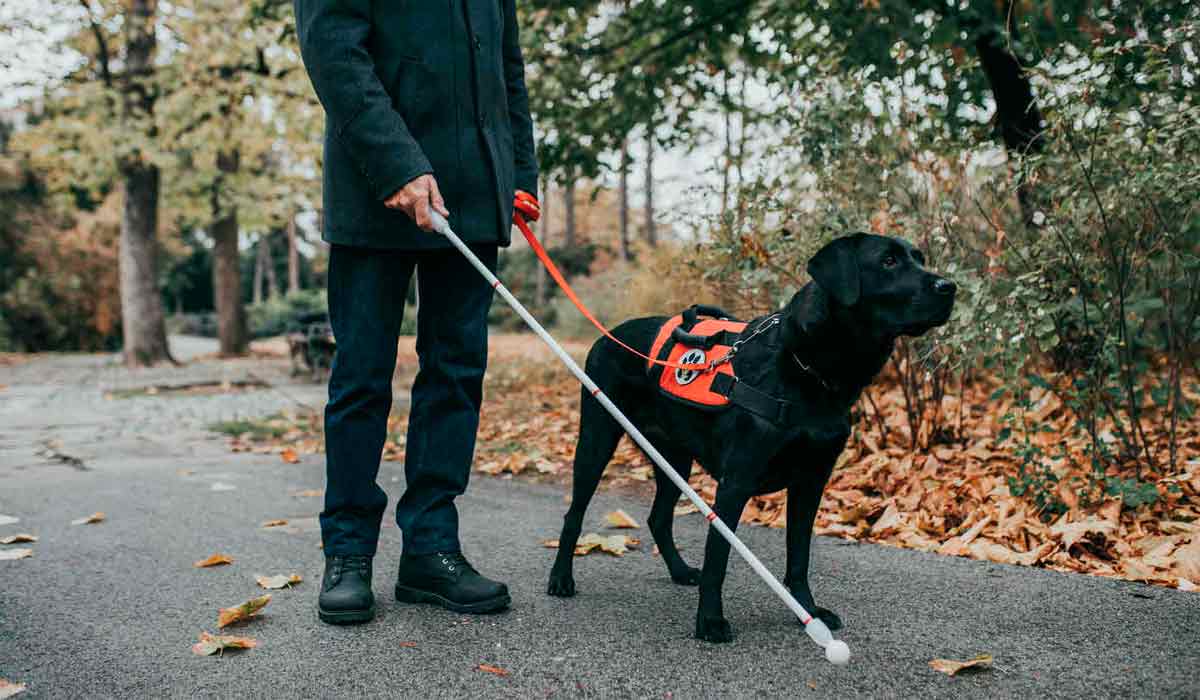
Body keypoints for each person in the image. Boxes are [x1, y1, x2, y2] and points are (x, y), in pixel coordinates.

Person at [294, 0, 538, 625]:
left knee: (456, 375)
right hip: (375, 192)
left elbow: (506, 71)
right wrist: (400, 165)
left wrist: (518, 174)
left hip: (475, 201)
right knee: (361, 379)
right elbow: (335, 55)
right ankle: (347, 552)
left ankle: (431, 550)